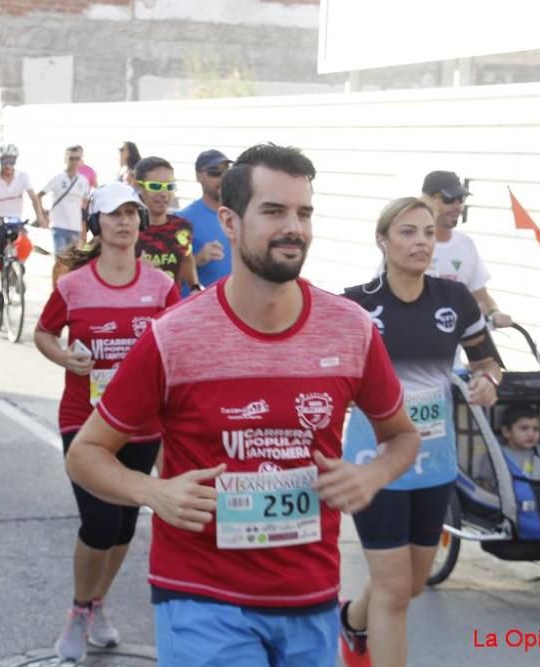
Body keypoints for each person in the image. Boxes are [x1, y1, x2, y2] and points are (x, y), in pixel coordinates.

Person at [66, 144, 421, 665]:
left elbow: (404, 436)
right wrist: (152, 491)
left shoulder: (350, 329)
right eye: (274, 211)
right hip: (200, 595)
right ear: (229, 222)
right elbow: (87, 452)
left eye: (304, 213)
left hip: (311, 594)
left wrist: (371, 476)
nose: (294, 227)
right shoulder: (175, 336)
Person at [338, 197, 501, 667]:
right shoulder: (356, 305)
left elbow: (487, 362)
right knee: (393, 591)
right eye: (408, 232)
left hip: (435, 462)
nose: (421, 242)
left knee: (409, 584)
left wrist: (487, 382)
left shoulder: (455, 299)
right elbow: (332, 377)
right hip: (374, 465)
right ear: (383, 241)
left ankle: (352, 621)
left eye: (428, 232)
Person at [35, 182, 180, 663]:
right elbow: (43, 333)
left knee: (123, 528)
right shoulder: (74, 285)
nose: (125, 223)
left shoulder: (160, 285)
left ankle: (97, 605)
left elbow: (177, 344)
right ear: (96, 224)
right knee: (98, 522)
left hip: (142, 424)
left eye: (132, 214)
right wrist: (63, 358)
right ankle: (78, 611)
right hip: (86, 420)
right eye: (114, 215)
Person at [421, 171, 512, 328]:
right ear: (426, 200)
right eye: (449, 199)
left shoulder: (466, 244)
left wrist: (494, 312)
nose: (458, 206)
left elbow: (480, 295)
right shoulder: (409, 243)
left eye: (461, 199)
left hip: (453, 350)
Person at [0, 143, 46, 322]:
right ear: (0, 161)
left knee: (26, 244)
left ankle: (16, 270)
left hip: (14, 222)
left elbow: (33, 198)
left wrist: (40, 216)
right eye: (5, 161)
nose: (8, 165)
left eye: (11, 161)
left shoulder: (23, 177)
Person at [133, 156, 199, 292]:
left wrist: (195, 287)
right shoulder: (127, 229)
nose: (164, 193)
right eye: (155, 186)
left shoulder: (182, 227)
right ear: (139, 187)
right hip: (135, 307)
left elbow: (187, 257)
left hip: (172, 308)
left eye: (170, 187)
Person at [176, 149, 232, 288]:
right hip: (200, 305)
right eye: (215, 172)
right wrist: (197, 259)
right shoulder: (182, 220)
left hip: (237, 304)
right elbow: (170, 277)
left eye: (227, 171)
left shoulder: (241, 213)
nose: (222, 177)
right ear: (198, 176)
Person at [39, 145, 92, 288]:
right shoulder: (57, 178)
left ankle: (67, 291)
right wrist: (42, 216)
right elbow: (39, 195)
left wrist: (84, 230)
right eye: (71, 158)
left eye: (77, 158)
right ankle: (54, 291)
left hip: (75, 228)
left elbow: (84, 208)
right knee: (60, 261)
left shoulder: (83, 181)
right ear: (65, 159)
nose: (74, 162)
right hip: (59, 226)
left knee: (73, 264)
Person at [474, 405, 540, 489]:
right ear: (506, 432)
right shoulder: (497, 454)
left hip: (537, 495)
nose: (531, 434)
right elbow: (486, 481)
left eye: (536, 429)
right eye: (524, 428)